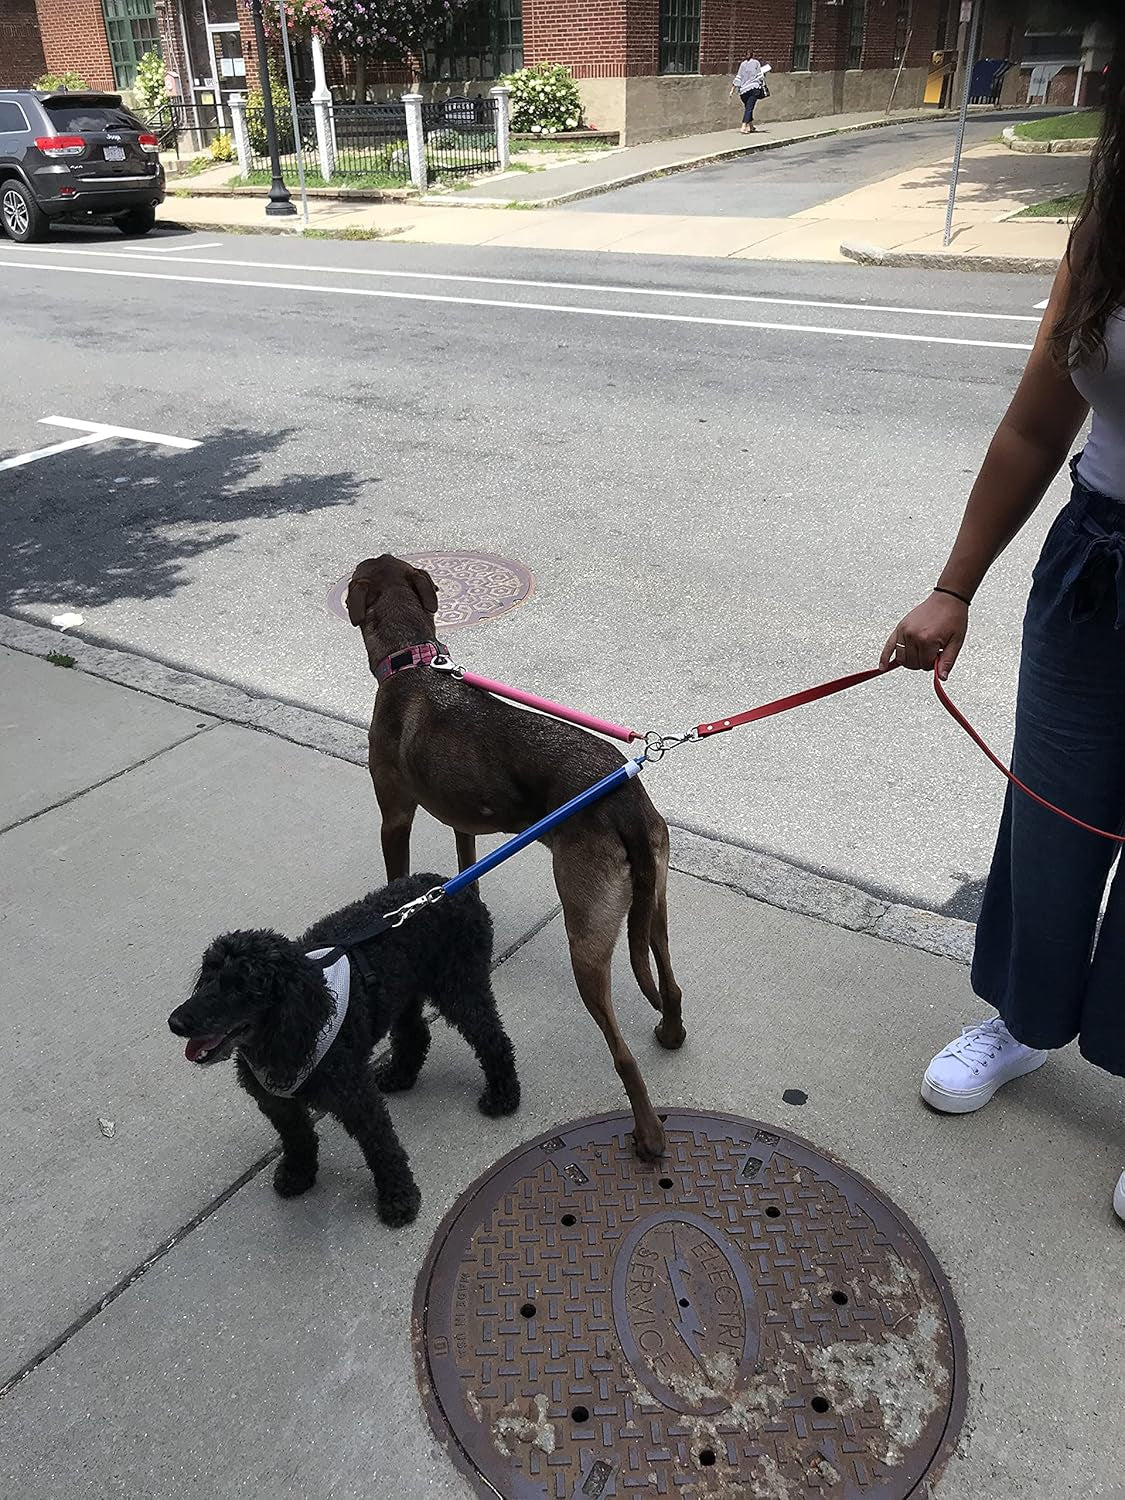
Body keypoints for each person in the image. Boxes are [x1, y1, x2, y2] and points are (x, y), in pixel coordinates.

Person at [881, 29, 1125, 1224]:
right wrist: (956, 584)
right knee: (1050, 817)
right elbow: (1037, 427)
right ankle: (1028, 1022)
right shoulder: (1107, 236)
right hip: (1096, 568)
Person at [730, 55, 766, 134]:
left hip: (743, 91)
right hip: (753, 88)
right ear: (752, 55)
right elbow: (760, 75)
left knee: (748, 107)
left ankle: (751, 126)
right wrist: (762, 84)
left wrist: (732, 90)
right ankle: (743, 126)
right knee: (749, 108)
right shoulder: (756, 63)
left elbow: (738, 77)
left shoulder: (743, 64)